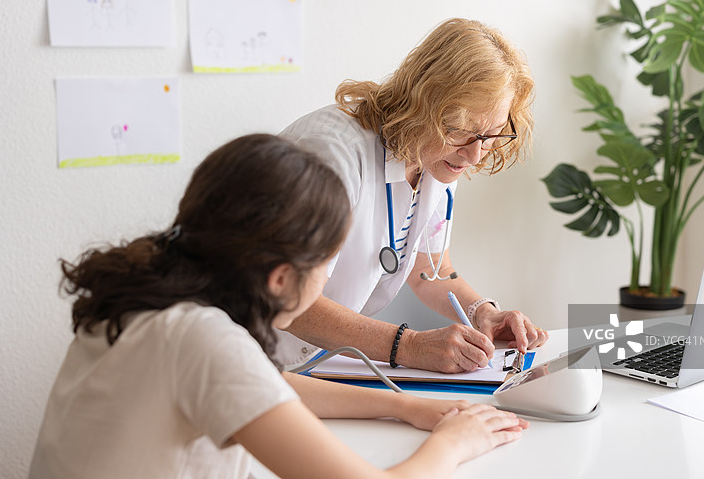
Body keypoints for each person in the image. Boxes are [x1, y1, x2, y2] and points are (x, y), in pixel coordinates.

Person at [29, 134, 526, 479]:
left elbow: (264, 386)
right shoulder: (202, 340)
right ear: (282, 277)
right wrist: (455, 443)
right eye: (327, 268)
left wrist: (404, 405)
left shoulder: (152, 298)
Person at [277, 18, 549, 372]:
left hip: (313, 362)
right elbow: (287, 298)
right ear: (424, 102)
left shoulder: (438, 154)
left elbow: (429, 268)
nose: (475, 155)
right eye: (462, 132)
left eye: (491, 135)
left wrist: (483, 311)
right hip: (238, 350)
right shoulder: (331, 155)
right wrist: (410, 346)